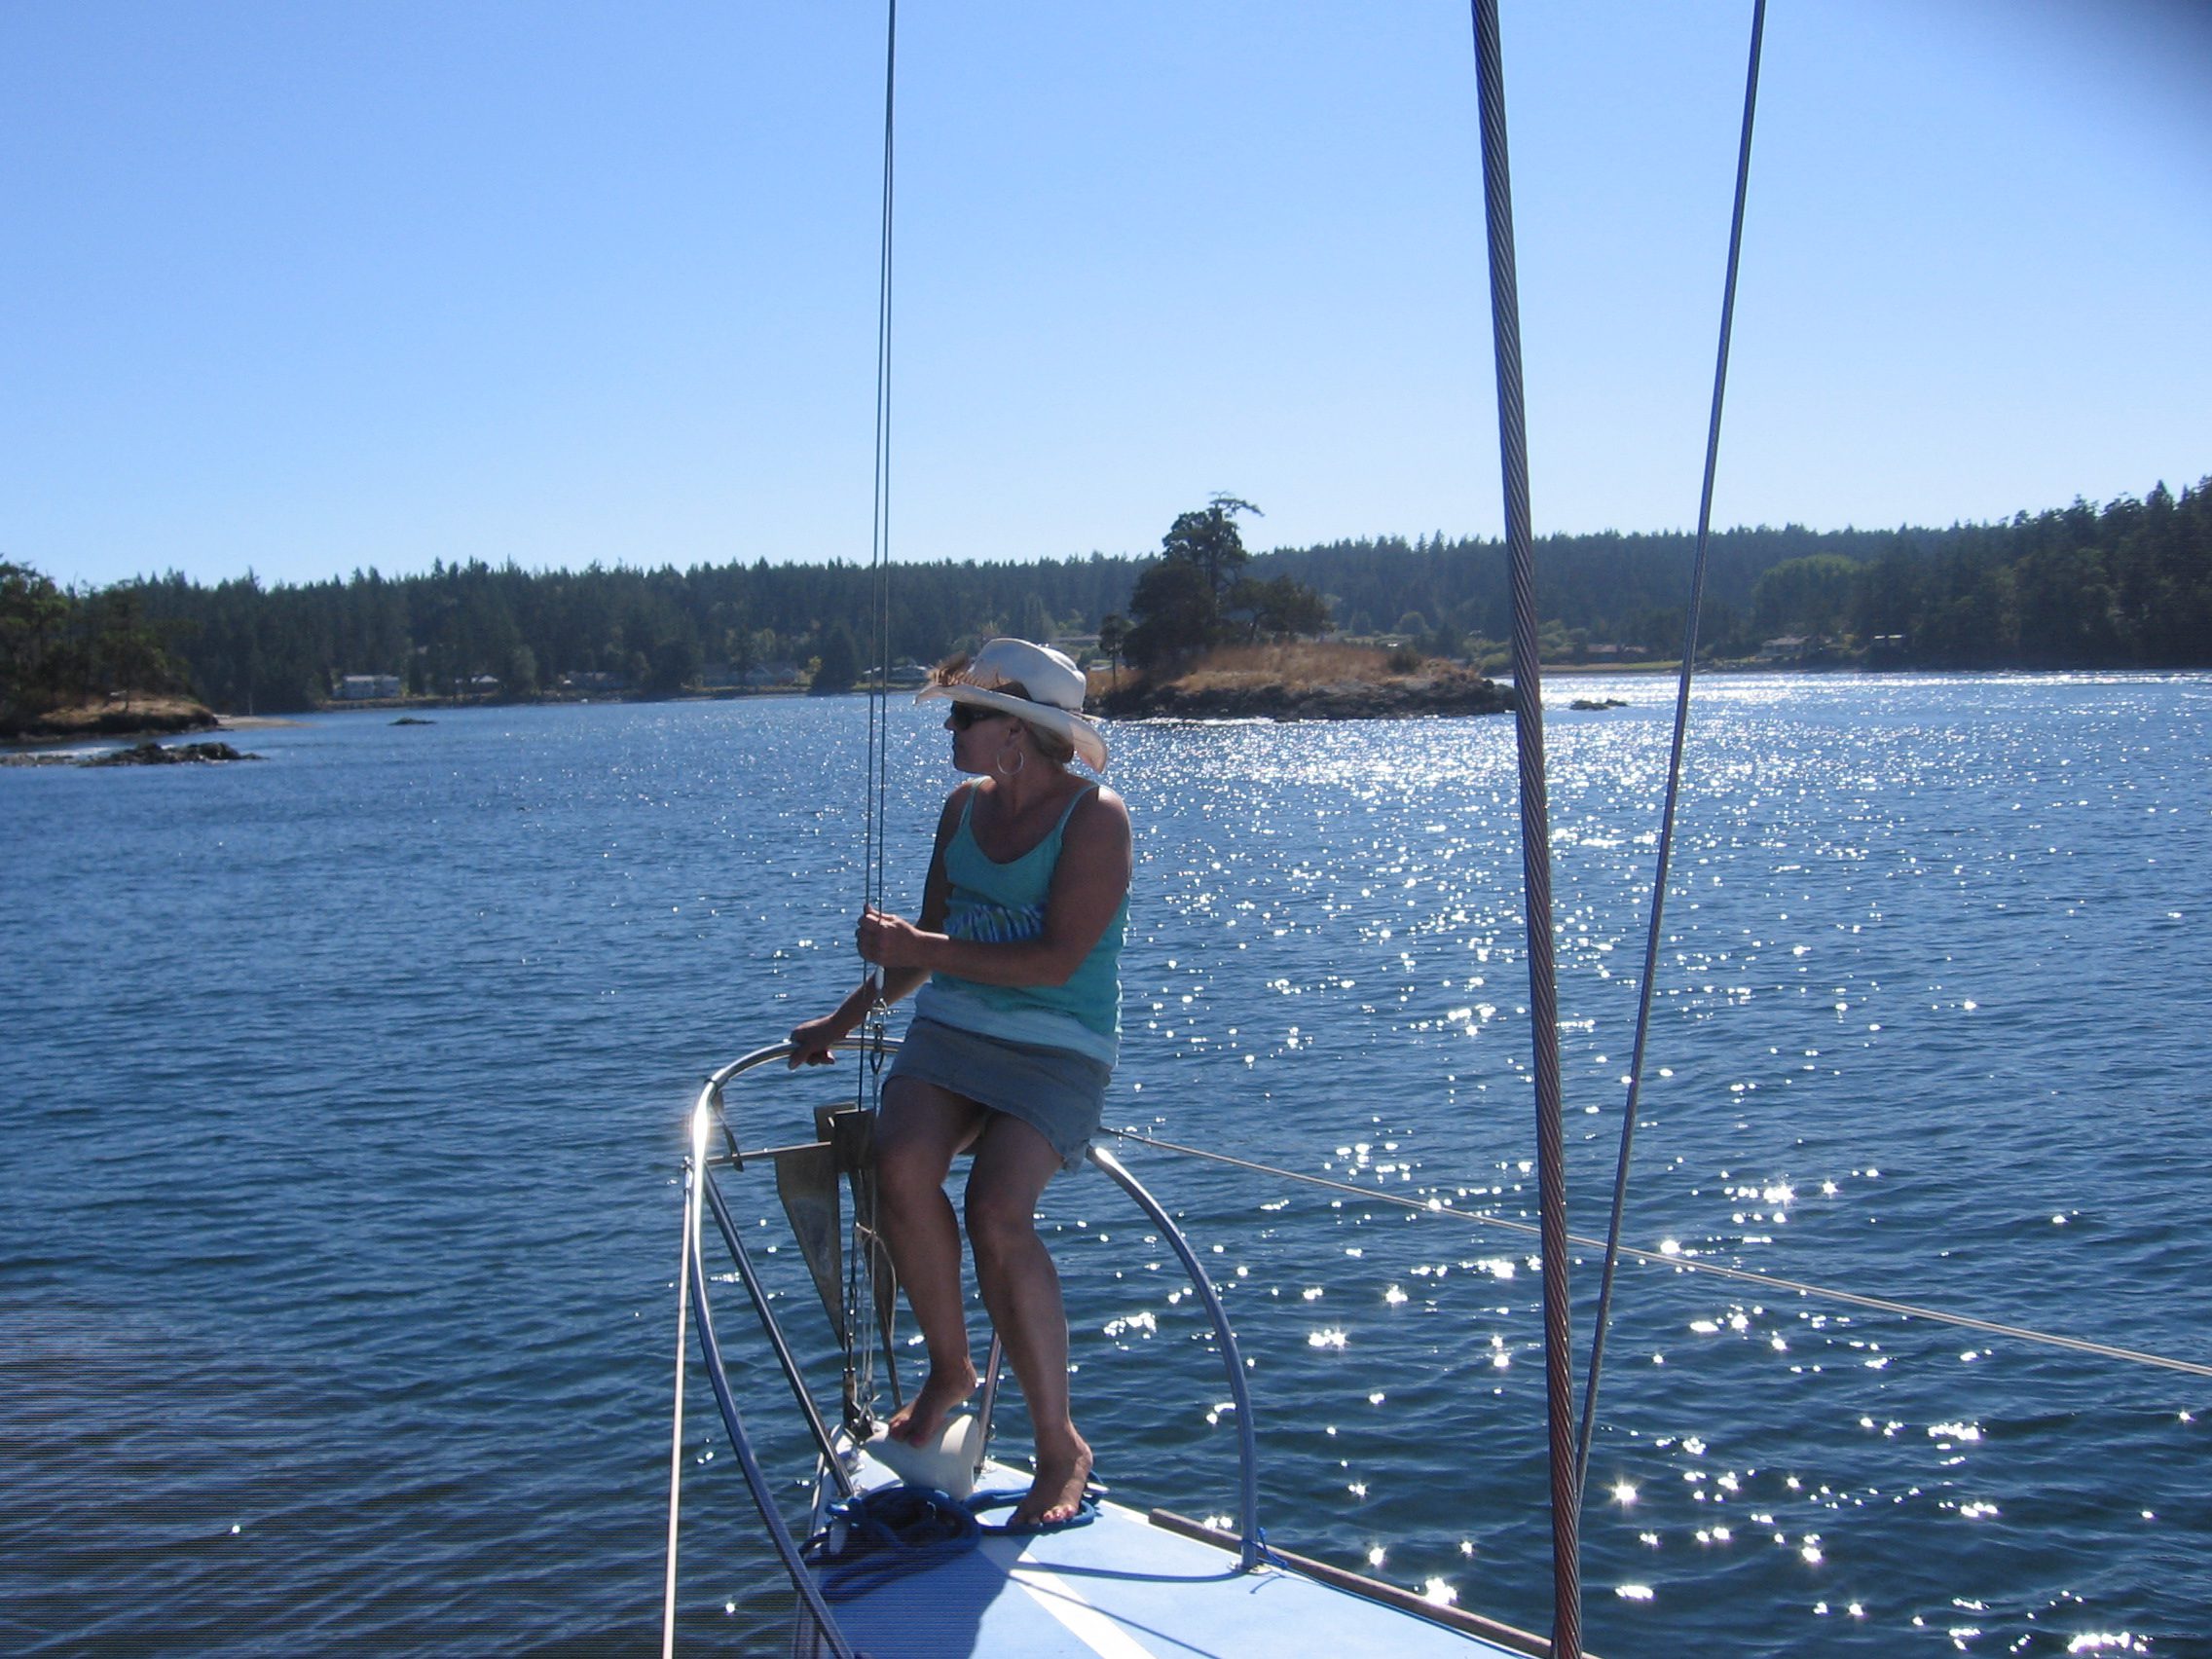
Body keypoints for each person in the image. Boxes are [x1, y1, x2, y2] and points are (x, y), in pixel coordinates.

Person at [789, 638, 1130, 1528]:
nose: (952, 724)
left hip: (1058, 1047)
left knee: (995, 1209)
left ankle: (1062, 1447)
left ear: (1018, 731)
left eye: (967, 714)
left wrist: (921, 950)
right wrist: (840, 1022)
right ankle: (952, 1368)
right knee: (899, 1166)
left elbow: (1057, 962)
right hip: (953, 1035)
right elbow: (926, 946)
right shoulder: (959, 811)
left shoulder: (1097, 820)